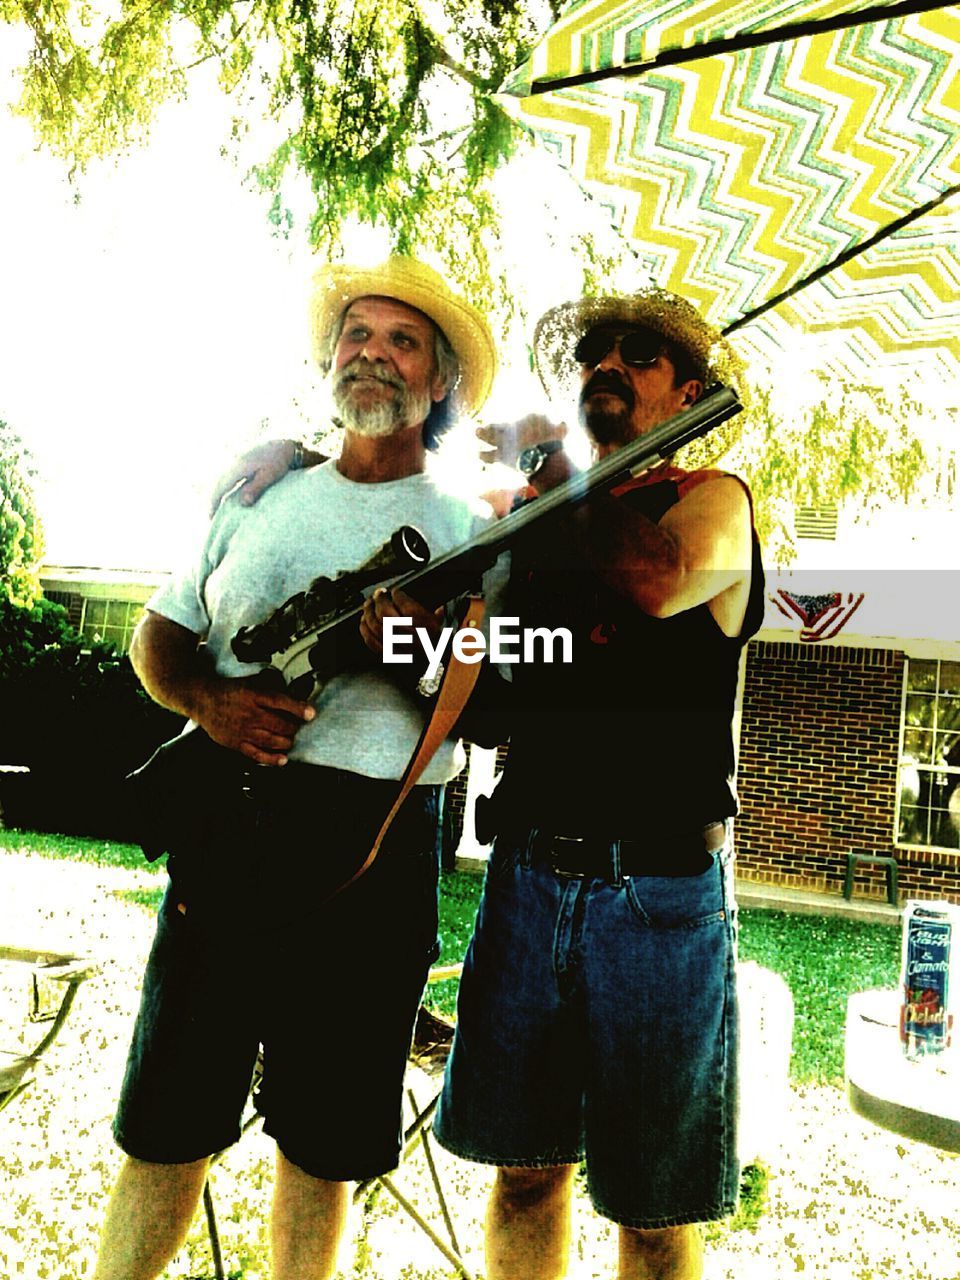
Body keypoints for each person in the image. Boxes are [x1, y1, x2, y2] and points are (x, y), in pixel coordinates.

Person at [219, 285, 764, 1278]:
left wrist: (568, 479)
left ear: (688, 391)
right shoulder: (537, 526)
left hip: (657, 890)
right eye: (595, 353)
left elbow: (653, 583)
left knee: (648, 1206)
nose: (607, 365)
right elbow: (494, 691)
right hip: (526, 875)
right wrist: (409, 647)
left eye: (637, 356)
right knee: (522, 1174)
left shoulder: (713, 500)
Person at [93, 256, 498, 1280]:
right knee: (166, 1126)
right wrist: (206, 700)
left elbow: (506, 701)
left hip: (369, 852)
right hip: (226, 827)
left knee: (322, 1150)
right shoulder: (256, 491)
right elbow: (159, 631)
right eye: (357, 335)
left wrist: (415, 653)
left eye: (401, 340)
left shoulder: (476, 531)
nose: (372, 354)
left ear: (440, 381)